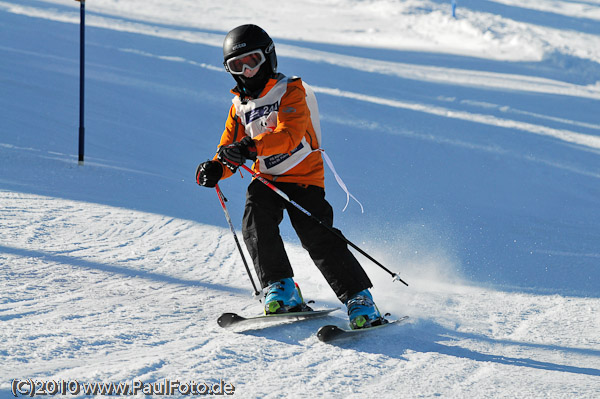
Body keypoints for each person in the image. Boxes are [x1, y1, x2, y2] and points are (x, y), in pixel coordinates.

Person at [196, 24, 385, 329]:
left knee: (318, 237)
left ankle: (359, 299)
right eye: (237, 65)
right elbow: (228, 149)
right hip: (268, 180)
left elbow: (290, 135)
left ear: (269, 57)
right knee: (255, 220)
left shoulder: (291, 90)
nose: (246, 71)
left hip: (303, 177)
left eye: (252, 61)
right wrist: (218, 168)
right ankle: (281, 287)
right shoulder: (239, 107)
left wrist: (248, 146)